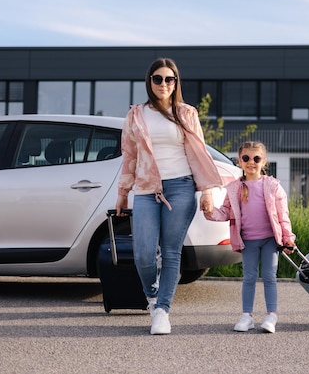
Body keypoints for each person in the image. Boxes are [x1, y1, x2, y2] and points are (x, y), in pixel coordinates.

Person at [115, 57, 222, 335]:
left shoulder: (186, 113)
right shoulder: (136, 114)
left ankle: (162, 310)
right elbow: (130, 156)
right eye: (158, 79)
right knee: (143, 254)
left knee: (172, 252)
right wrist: (123, 193)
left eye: (169, 79)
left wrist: (207, 191)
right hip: (147, 189)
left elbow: (199, 154)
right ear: (149, 82)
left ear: (176, 83)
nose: (164, 84)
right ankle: (152, 296)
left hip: (181, 187)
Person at [203, 141, 296, 333]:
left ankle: (271, 315)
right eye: (246, 158)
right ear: (239, 161)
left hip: (271, 240)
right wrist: (209, 211)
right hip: (248, 241)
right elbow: (225, 212)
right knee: (249, 277)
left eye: (256, 158)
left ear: (264, 162)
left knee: (269, 276)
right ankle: (247, 316)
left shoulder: (272, 186)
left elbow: (282, 215)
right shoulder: (234, 188)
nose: (251, 162)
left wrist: (288, 237)